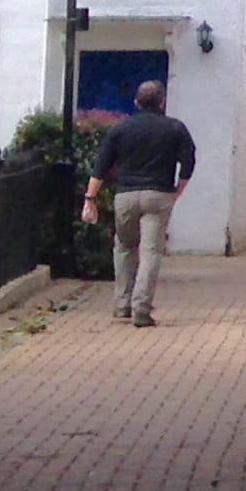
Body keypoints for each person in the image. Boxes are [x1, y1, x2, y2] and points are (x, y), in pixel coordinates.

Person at [84, 82, 195, 327]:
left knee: (123, 247)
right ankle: (142, 308)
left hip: (125, 195)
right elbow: (188, 162)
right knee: (150, 251)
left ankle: (122, 304)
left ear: (136, 102)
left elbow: (101, 165)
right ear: (162, 102)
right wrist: (178, 190)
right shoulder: (175, 128)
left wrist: (90, 198)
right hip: (159, 194)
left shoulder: (120, 129)